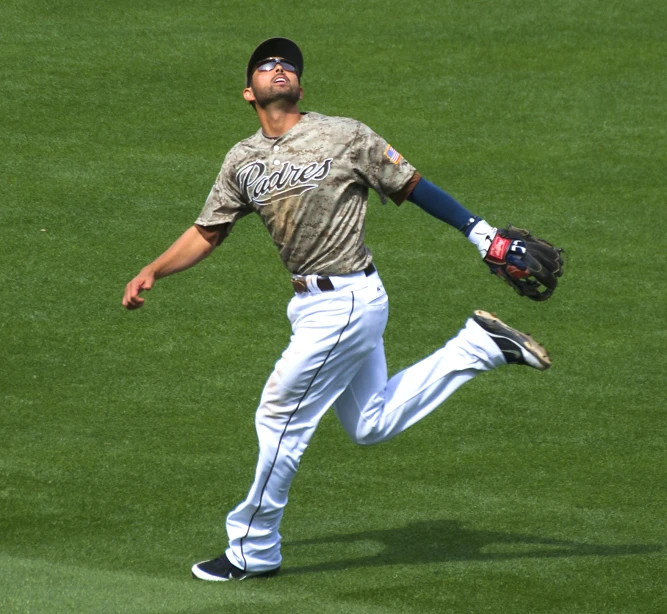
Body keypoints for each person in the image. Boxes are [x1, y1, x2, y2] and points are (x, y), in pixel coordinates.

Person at [122, 37, 551, 581]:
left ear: (300, 85)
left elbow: (413, 184)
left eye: (288, 66)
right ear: (247, 91)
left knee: (279, 416)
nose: (279, 69)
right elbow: (209, 231)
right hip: (313, 306)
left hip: (346, 301)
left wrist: (482, 234)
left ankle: (252, 549)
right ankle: (479, 346)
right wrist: (154, 269)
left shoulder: (344, 134)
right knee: (369, 424)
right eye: (266, 65)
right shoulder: (242, 160)